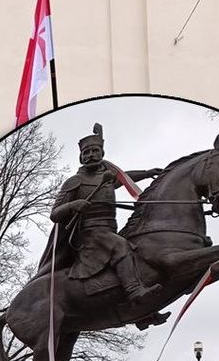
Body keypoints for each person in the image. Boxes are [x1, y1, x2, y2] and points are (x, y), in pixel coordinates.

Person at [37, 123, 162, 305]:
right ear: (81, 158)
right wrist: (73, 205)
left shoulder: (107, 178)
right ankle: (135, 292)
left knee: (139, 251)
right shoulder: (75, 181)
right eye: (86, 153)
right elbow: (55, 214)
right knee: (120, 245)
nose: (91, 155)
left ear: (102, 154)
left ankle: (140, 312)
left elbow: (125, 177)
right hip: (88, 237)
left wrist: (147, 173)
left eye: (95, 151)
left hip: (109, 232)